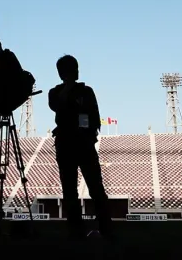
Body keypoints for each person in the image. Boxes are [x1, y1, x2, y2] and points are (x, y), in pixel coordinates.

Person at [48, 55, 112, 239]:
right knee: (70, 191)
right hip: (66, 144)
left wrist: (90, 135)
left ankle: (105, 229)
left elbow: (94, 117)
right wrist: (68, 87)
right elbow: (56, 105)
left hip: (83, 144)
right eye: (71, 68)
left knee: (96, 188)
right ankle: (76, 231)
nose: (75, 71)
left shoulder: (87, 91)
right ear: (62, 73)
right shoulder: (55, 92)